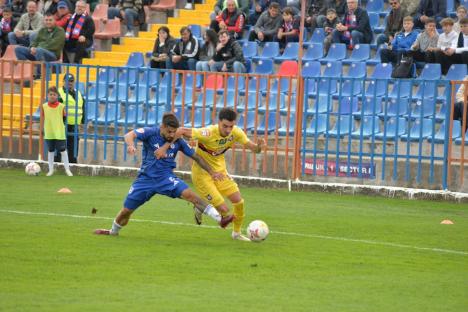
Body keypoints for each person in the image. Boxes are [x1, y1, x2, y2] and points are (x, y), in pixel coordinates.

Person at [94, 112, 235, 236]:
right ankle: (113, 232)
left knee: (191, 196)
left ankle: (220, 219)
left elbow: (196, 157)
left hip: (166, 178)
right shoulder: (151, 132)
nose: (172, 135)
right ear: (162, 127)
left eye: (174, 132)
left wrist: (212, 172)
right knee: (126, 211)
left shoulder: (178, 141)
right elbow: (129, 135)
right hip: (145, 180)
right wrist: (131, 145)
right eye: (169, 132)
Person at [158, 108, 265, 242]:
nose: (227, 130)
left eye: (230, 126)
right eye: (225, 126)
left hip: (220, 172)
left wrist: (259, 147)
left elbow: (254, 149)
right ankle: (200, 206)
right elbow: (181, 131)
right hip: (201, 174)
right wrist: (164, 147)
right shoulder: (208, 132)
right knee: (224, 211)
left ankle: (236, 234)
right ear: (218, 122)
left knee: (239, 201)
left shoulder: (236, 132)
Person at [41, 86, 73, 177]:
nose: (52, 96)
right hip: (49, 131)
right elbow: (43, 118)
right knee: (51, 151)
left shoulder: (61, 107)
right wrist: (43, 128)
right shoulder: (44, 106)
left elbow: (64, 118)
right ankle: (50, 170)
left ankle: (67, 170)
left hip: (59, 132)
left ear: (57, 96)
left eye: (54, 94)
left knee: (63, 150)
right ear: (47, 95)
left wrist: (60, 126)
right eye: (50, 94)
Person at [57, 73, 85, 163]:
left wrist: (83, 122)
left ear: (74, 82)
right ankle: (55, 166)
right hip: (62, 125)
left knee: (73, 150)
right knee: (59, 148)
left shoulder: (79, 93)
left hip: (75, 126)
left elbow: (83, 107)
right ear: (63, 81)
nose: (69, 83)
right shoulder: (59, 93)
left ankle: (73, 167)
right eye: (67, 81)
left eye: (71, 81)